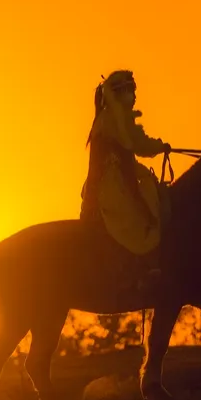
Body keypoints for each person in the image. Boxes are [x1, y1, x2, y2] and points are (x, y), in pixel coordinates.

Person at [80, 70, 171, 281]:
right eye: (130, 91)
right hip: (112, 187)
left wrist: (158, 147)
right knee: (143, 209)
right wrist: (159, 146)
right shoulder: (113, 119)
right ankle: (144, 268)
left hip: (119, 179)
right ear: (119, 94)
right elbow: (137, 143)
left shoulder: (114, 117)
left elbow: (131, 150)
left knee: (151, 189)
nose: (134, 96)